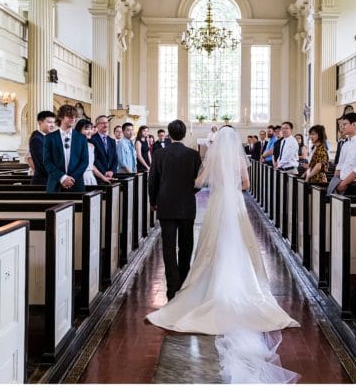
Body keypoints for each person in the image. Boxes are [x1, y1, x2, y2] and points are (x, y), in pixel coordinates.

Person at [147, 125, 299, 346]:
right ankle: (237, 282)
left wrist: (176, 191)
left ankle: (185, 287)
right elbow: (246, 184)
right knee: (235, 243)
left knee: (206, 243)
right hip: (234, 203)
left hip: (214, 203)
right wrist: (231, 188)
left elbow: (199, 182)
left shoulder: (211, 159)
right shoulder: (235, 160)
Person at [147, 118, 202, 301]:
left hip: (166, 205)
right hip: (187, 205)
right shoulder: (193, 155)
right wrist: (189, 191)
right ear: (184, 134)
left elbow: (153, 180)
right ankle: (184, 281)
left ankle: (172, 286)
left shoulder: (159, 154)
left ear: (169, 134)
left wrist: (153, 201)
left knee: (168, 246)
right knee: (186, 245)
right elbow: (200, 182)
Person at [43, 103, 88, 193]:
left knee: (79, 207)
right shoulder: (49, 138)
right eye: (69, 116)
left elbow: (84, 161)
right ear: (60, 117)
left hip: (76, 183)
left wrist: (72, 178)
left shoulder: (81, 138)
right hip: (56, 183)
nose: (73, 119)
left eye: (74, 116)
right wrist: (62, 177)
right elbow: (47, 162)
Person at [327, 112, 356, 196]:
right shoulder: (346, 144)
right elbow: (340, 165)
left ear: (354, 124)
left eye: (345, 124)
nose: (342, 127)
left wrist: (343, 184)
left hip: (355, 186)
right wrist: (335, 182)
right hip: (341, 184)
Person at [26, 109, 55, 186]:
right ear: (40, 122)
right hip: (43, 182)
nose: (52, 125)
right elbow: (43, 163)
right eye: (49, 122)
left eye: (53, 122)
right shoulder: (37, 139)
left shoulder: (45, 138)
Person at [76, 117, 103, 186]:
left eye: (91, 129)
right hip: (80, 176)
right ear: (79, 130)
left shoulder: (91, 145)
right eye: (86, 129)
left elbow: (91, 165)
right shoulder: (75, 145)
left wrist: (103, 177)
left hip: (90, 176)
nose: (90, 131)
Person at [91, 114, 117, 178]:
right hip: (98, 175)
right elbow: (95, 159)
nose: (105, 125)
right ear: (97, 125)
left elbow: (115, 158)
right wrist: (104, 172)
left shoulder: (112, 141)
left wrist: (112, 171)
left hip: (111, 175)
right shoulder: (92, 139)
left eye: (106, 122)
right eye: (102, 123)